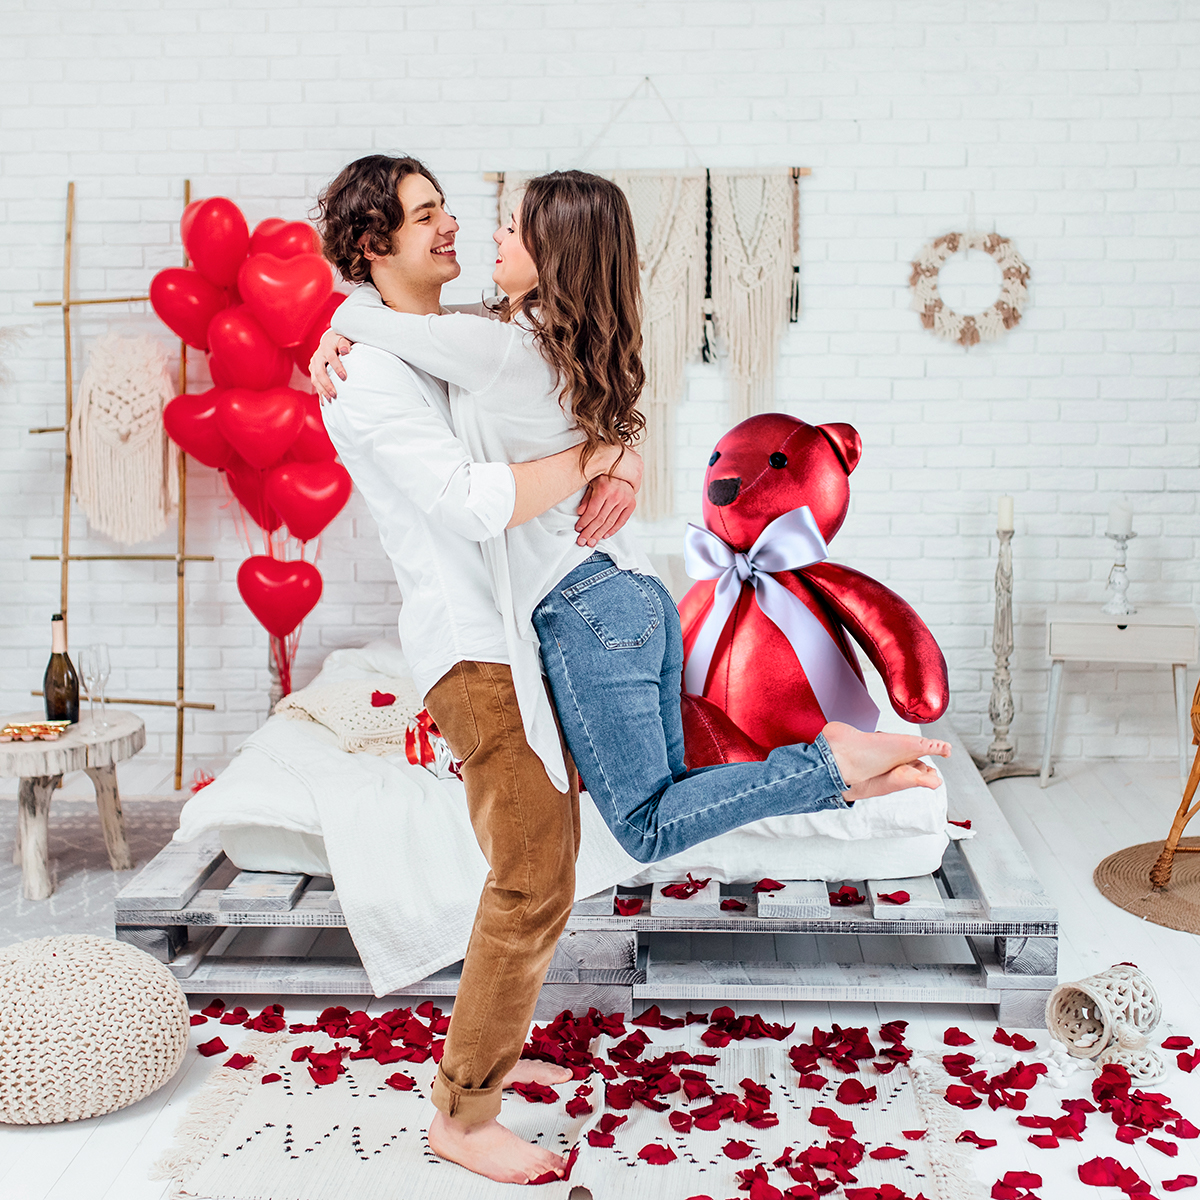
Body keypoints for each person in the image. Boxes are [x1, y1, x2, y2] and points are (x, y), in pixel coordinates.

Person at [311, 168, 950, 871]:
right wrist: (614, 453)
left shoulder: (498, 350)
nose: (489, 231)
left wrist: (330, 334)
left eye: (514, 226)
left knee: (644, 825)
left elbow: (371, 320)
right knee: (675, 795)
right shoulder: (548, 341)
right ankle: (843, 778)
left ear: (553, 255)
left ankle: (831, 764)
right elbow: (431, 328)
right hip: (630, 598)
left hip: (586, 609)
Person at [313, 154, 643, 1186]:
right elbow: (469, 500)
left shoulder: (464, 345)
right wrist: (593, 461)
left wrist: (618, 449)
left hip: (524, 632)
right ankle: (463, 1115)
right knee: (533, 872)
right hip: (472, 646)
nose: (453, 225)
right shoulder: (366, 372)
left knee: (548, 867)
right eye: (425, 217)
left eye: (449, 207)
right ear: (374, 247)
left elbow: (573, 396)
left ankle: (478, 1076)